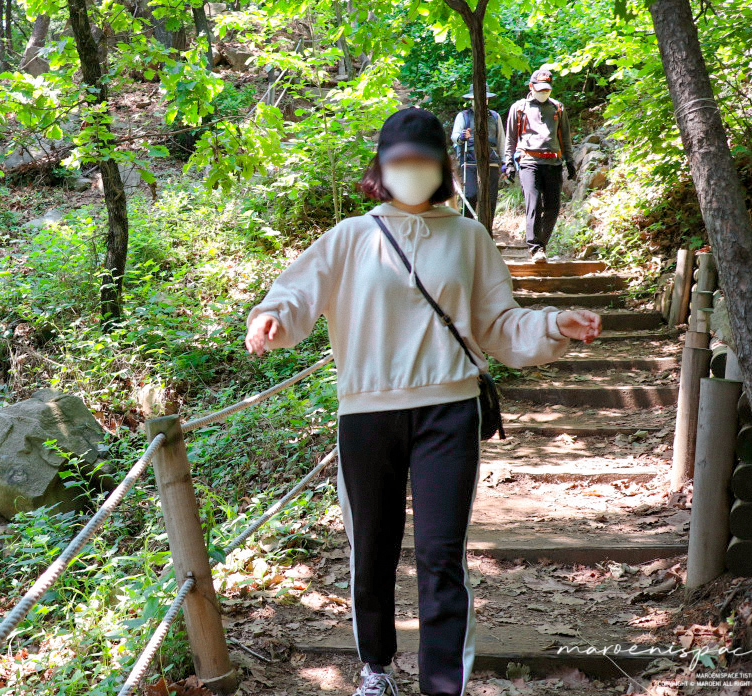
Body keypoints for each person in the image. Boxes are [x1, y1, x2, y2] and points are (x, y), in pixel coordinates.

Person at [244, 106, 602, 696]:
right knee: (372, 550)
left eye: (422, 160)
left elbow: (499, 324)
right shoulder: (352, 236)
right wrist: (270, 320)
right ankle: (375, 670)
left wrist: (555, 324)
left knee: (442, 557)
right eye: (399, 160)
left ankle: (443, 686)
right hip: (367, 413)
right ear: (381, 167)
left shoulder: (468, 237)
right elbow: (294, 295)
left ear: (442, 166)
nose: (411, 170)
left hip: (449, 410)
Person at [504, 69, 576, 262]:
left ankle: (541, 244)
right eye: (540, 89)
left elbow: (565, 138)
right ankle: (535, 248)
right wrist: (509, 162)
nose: (544, 92)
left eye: (547, 89)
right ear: (531, 86)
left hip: (553, 162)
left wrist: (570, 161)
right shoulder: (519, 108)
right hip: (529, 162)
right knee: (533, 204)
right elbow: (510, 138)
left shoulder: (558, 108)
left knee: (553, 206)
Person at [449, 91, 507, 219]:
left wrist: (504, 161)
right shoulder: (463, 116)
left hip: (491, 161)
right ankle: (467, 226)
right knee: (470, 195)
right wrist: (462, 136)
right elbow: (455, 136)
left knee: (490, 198)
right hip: (470, 160)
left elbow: (501, 140)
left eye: (484, 98)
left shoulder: (495, 117)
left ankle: (487, 229)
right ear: (471, 99)